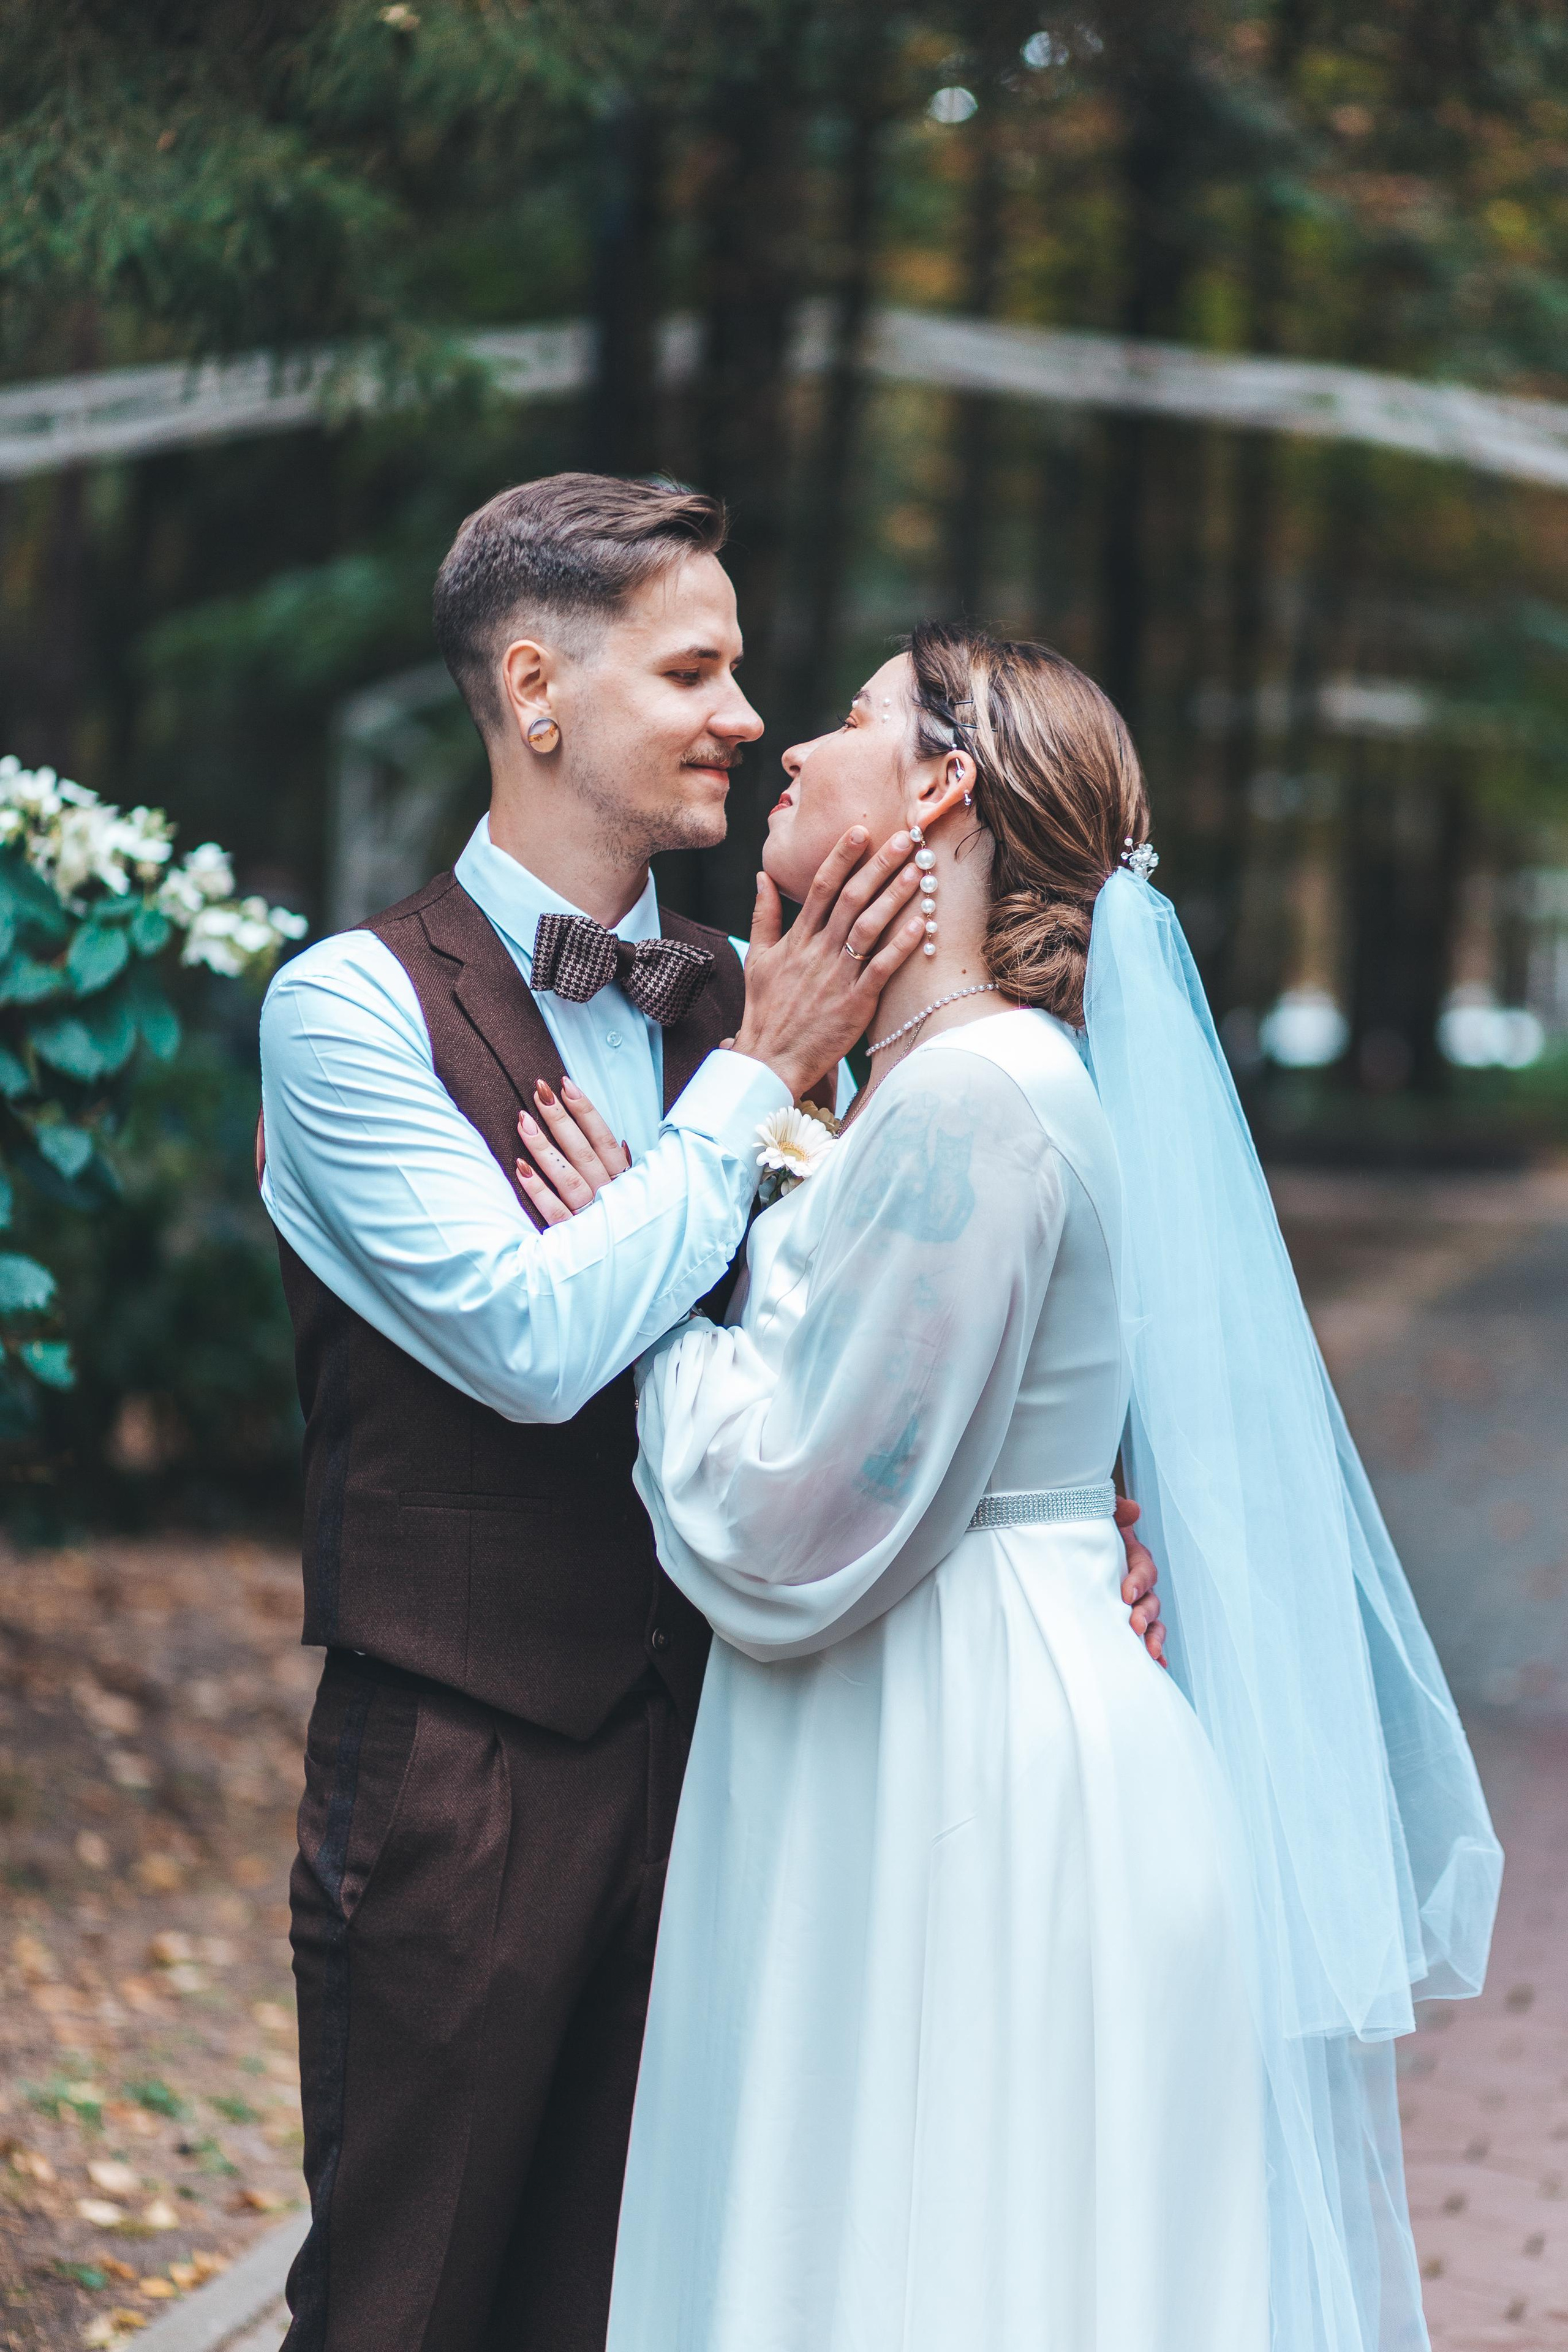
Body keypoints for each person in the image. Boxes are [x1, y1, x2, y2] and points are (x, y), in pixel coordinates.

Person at [257, 477, 1165, 2351]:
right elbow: (528, 1343)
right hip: (466, 1783)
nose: (748, 717)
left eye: (750, 671)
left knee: (668, 2297)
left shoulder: (782, 991)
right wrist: (751, 1083)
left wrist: (1100, 1524)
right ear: (536, 694)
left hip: (758, 1777)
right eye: (697, 669)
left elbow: (927, 1307)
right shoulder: (348, 1013)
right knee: (410, 2304)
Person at [526, 623, 1502, 2351]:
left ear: (939, 789)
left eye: (846, 721)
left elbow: (795, 1512)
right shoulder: (932, 1093)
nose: (792, 753)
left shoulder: (979, 1103)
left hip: (967, 1781)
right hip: (936, 1730)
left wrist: (638, 1279)